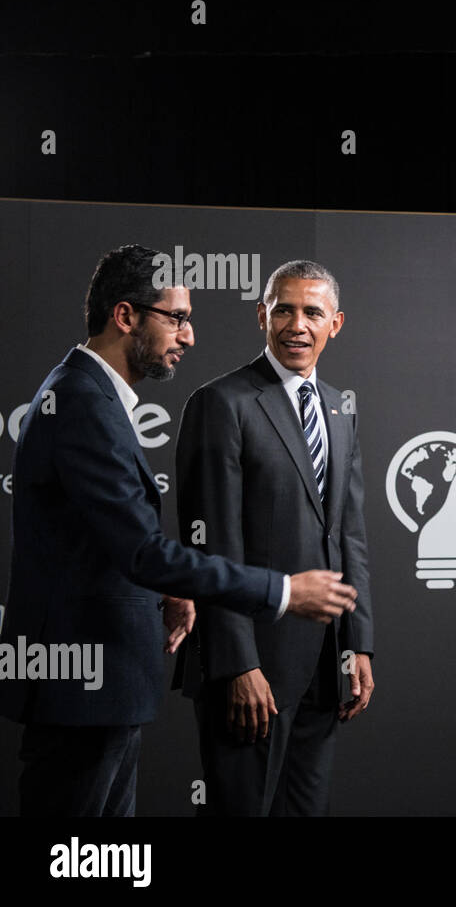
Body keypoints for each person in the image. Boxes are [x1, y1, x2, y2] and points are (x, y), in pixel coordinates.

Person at [0, 244, 359, 817]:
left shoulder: (94, 396)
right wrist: (285, 591)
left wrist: (166, 588)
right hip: (82, 683)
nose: (189, 336)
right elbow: (142, 548)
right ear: (126, 316)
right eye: (177, 318)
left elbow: (105, 541)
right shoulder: (83, 402)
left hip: (102, 682)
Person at [174, 259, 374, 816]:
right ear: (261, 315)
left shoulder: (340, 408)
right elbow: (209, 546)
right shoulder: (222, 403)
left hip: (325, 667)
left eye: (313, 312)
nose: (296, 324)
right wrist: (238, 662)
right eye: (283, 309)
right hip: (252, 671)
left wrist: (357, 643)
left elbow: (348, 536)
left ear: (336, 323)